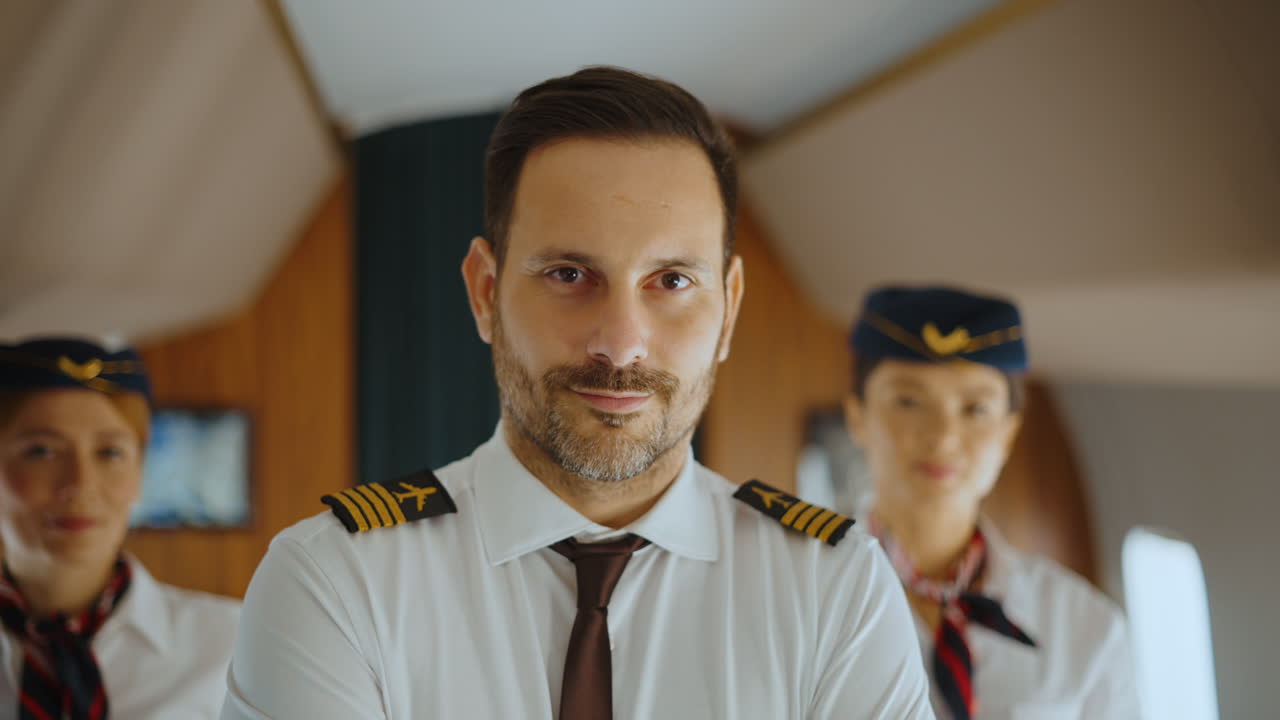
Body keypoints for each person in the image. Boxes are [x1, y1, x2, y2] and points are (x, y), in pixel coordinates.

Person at [222, 66, 934, 719]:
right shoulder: (335, 581)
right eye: (568, 274)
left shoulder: (836, 589)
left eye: (673, 281)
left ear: (730, 310)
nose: (621, 344)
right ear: (485, 292)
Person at [843, 286, 1141, 719]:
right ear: (858, 416)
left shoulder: (1085, 625)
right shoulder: (802, 596)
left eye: (975, 409)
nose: (943, 435)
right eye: (909, 401)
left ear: (1008, 433)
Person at [0, 337, 240, 719]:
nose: (80, 484)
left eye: (110, 453)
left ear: (140, 470)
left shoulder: (236, 645)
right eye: (42, 451)